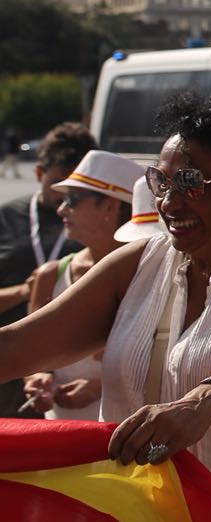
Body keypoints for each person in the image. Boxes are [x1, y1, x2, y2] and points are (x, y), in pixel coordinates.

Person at [0, 93, 211, 520]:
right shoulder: (137, 264)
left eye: (190, 181)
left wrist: (205, 400)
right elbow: (15, 347)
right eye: (162, 181)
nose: (170, 202)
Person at [21, 149, 142, 419]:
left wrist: (100, 388)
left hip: (124, 438)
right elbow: (30, 352)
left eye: (73, 199)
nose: (62, 208)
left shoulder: (155, 275)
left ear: (110, 206)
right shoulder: (50, 275)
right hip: (62, 435)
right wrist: (38, 379)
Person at [0, 122, 92, 418]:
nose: (67, 198)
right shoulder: (7, 218)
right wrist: (26, 291)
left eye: (77, 188)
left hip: (65, 383)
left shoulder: (95, 225)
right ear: (39, 174)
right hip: (8, 371)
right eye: (58, 183)